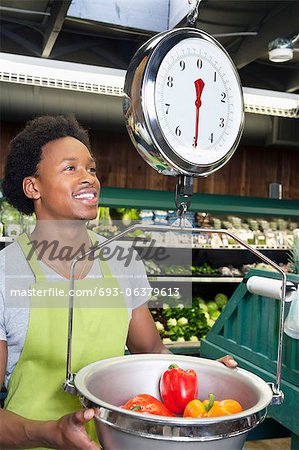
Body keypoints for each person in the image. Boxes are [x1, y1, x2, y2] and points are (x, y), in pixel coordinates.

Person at [0, 115, 237, 449]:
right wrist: (52, 433)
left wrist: (200, 374)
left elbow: (151, 350)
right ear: (33, 187)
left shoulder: (120, 260)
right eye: (71, 169)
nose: (89, 179)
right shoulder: (5, 271)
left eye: (92, 169)